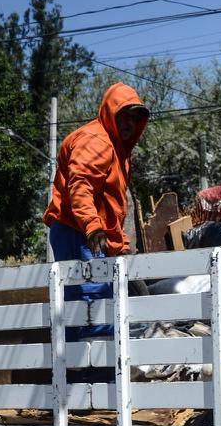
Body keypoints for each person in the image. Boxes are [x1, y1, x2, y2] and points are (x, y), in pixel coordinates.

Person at [43, 83, 148, 335]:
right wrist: (92, 227)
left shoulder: (118, 150)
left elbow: (112, 206)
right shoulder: (97, 140)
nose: (129, 123)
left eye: (134, 118)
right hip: (78, 231)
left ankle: (86, 356)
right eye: (124, 116)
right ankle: (89, 359)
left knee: (94, 306)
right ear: (110, 113)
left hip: (89, 233)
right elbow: (80, 186)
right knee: (91, 306)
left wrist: (120, 245)